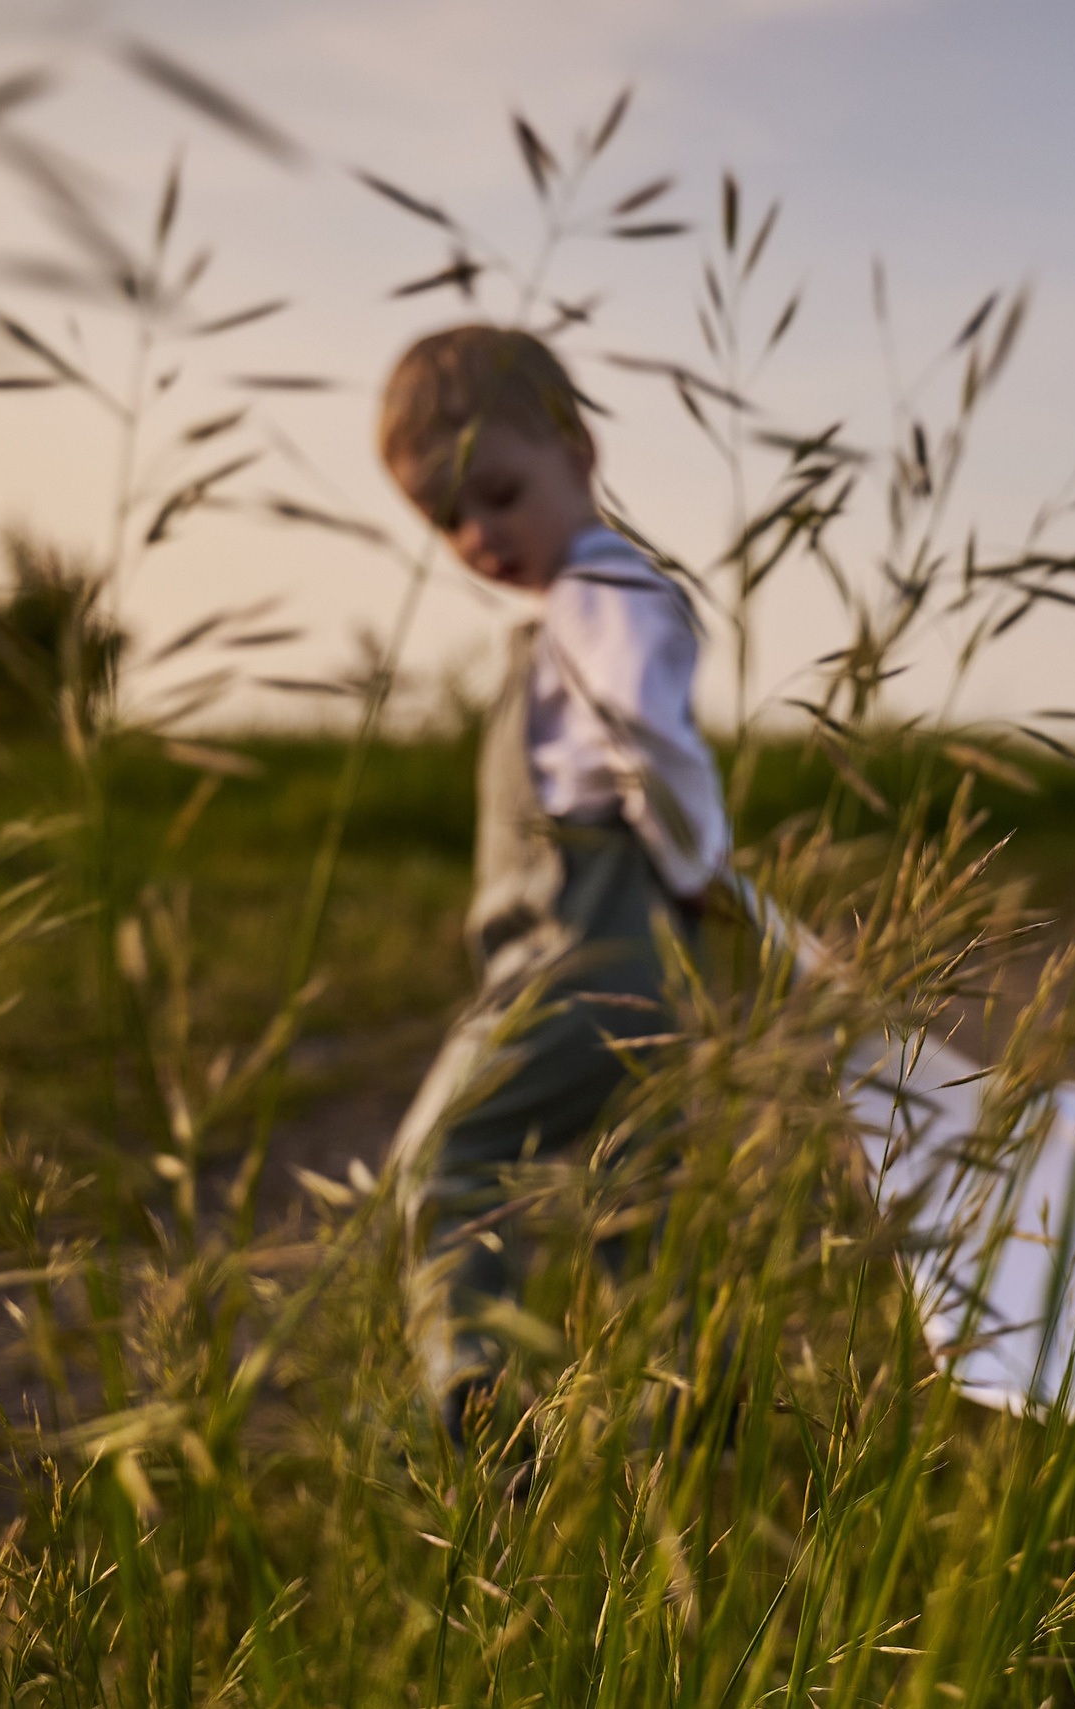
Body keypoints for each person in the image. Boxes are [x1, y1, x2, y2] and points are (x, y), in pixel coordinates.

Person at [374, 325, 730, 1449]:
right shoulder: (586, 603)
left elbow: (652, 740)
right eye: (447, 519)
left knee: (449, 1157)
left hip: (582, 963)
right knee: (642, 1206)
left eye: (498, 492)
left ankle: (476, 1385)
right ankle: (678, 1439)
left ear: (578, 450)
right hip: (655, 977)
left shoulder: (601, 594)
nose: (479, 534)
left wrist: (697, 863)